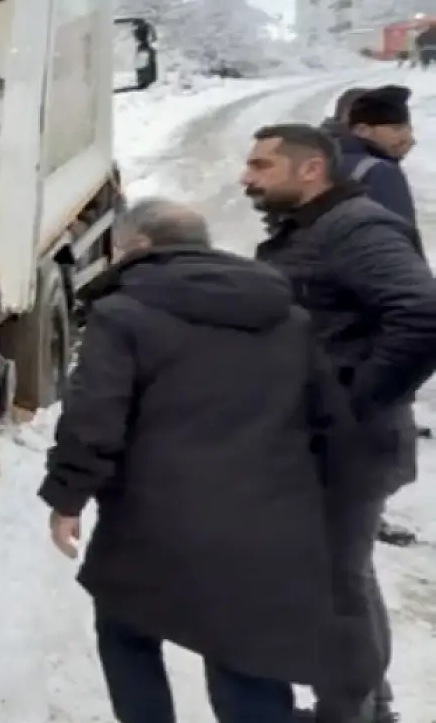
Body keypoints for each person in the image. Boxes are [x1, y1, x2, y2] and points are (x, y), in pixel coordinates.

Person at [41, 198, 353, 723]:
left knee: (126, 631)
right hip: (268, 527)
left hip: (156, 522)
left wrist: (68, 497)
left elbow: (94, 419)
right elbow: (330, 420)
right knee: (249, 659)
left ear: (138, 245)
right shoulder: (289, 317)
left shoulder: (122, 314)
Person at [243, 123, 436, 723]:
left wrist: (351, 401)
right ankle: (367, 707)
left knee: (338, 586)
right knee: (342, 577)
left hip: (351, 442)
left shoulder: (354, 228)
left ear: (310, 170)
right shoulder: (311, 230)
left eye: (261, 166)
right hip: (325, 440)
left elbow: (423, 316)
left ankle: (348, 714)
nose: (246, 177)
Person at [337, 85, 419, 242]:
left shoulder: (328, 160)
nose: (409, 139)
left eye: (409, 129)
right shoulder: (379, 171)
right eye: (396, 129)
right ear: (362, 130)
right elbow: (398, 239)